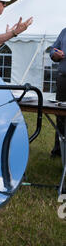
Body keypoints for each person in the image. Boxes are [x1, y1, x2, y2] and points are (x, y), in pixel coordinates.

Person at [50, 29, 66, 157]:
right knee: (60, 114)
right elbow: (53, 50)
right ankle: (58, 150)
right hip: (63, 79)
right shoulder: (64, 32)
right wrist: (55, 55)